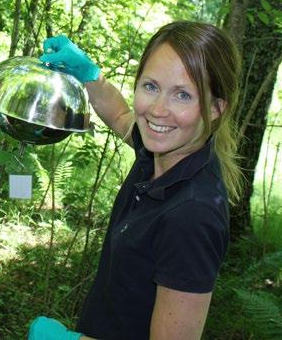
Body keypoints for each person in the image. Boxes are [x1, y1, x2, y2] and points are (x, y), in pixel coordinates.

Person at [29, 21, 242, 339]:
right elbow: (121, 117)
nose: (158, 110)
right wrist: (90, 75)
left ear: (215, 109)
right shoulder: (165, 151)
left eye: (182, 95)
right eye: (151, 86)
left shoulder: (192, 215)